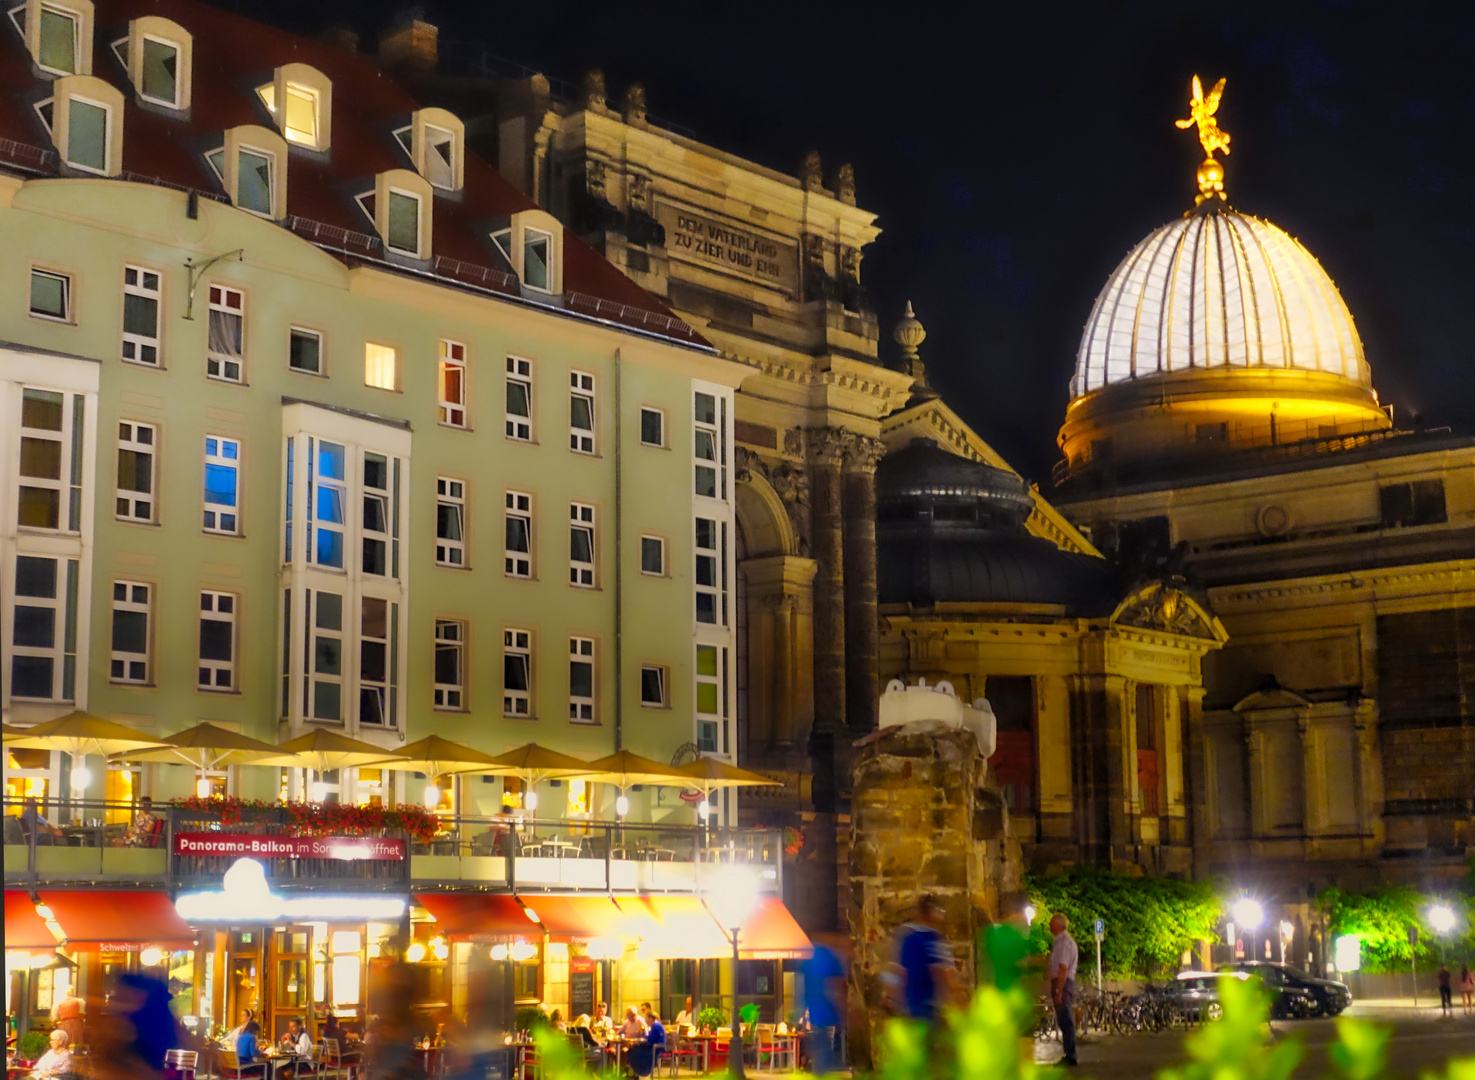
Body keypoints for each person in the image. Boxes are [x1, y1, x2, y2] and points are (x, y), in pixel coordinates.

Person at [892, 895, 957, 1025]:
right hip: (929, 1008)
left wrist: (894, 1000)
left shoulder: (906, 936)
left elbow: (897, 971)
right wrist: (956, 1003)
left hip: (910, 1007)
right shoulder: (933, 938)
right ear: (933, 912)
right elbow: (944, 973)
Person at [802, 942, 845, 1075]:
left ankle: (818, 1071)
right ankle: (820, 1071)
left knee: (820, 1050)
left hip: (819, 1018)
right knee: (823, 1052)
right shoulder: (827, 957)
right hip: (824, 1017)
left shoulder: (813, 959)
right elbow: (832, 986)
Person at [1048, 914, 1080, 1068]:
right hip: (1064, 983)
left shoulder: (1063, 943)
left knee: (1065, 1019)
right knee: (1064, 1019)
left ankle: (1070, 1055)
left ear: (1057, 926)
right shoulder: (1065, 942)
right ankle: (1070, 1054)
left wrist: (1058, 990)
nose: (1049, 927)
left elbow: (1063, 968)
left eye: (1051, 924)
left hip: (1063, 983)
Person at [627, 1009, 665, 1078]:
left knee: (634, 1051)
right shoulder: (656, 1025)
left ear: (650, 1018)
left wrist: (643, 1034)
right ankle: (635, 1071)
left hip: (656, 1048)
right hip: (654, 1046)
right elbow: (649, 1038)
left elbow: (649, 1039)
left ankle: (638, 1071)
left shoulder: (655, 1026)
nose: (645, 1021)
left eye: (646, 1019)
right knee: (635, 1048)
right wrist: (643, 1032)